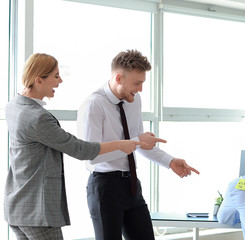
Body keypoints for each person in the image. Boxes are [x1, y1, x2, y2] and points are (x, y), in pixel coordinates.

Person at [4, 53, 145, 240]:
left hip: (17, 206)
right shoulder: (38, 117)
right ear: (39, 80)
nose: (60, 80)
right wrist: (122, 144)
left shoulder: (14, 106)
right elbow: (79, 149)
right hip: (38, 211)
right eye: (55, 76)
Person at [77, 49, 200, 240]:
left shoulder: (134, 100)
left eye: (142, 83)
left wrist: (170, 161)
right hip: (105, 187)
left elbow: (139, 143)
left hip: (132, 184)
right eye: (137, 83)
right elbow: (91, 157)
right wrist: (135, 142)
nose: (140, 89)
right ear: (119, 78)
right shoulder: (94, 104)